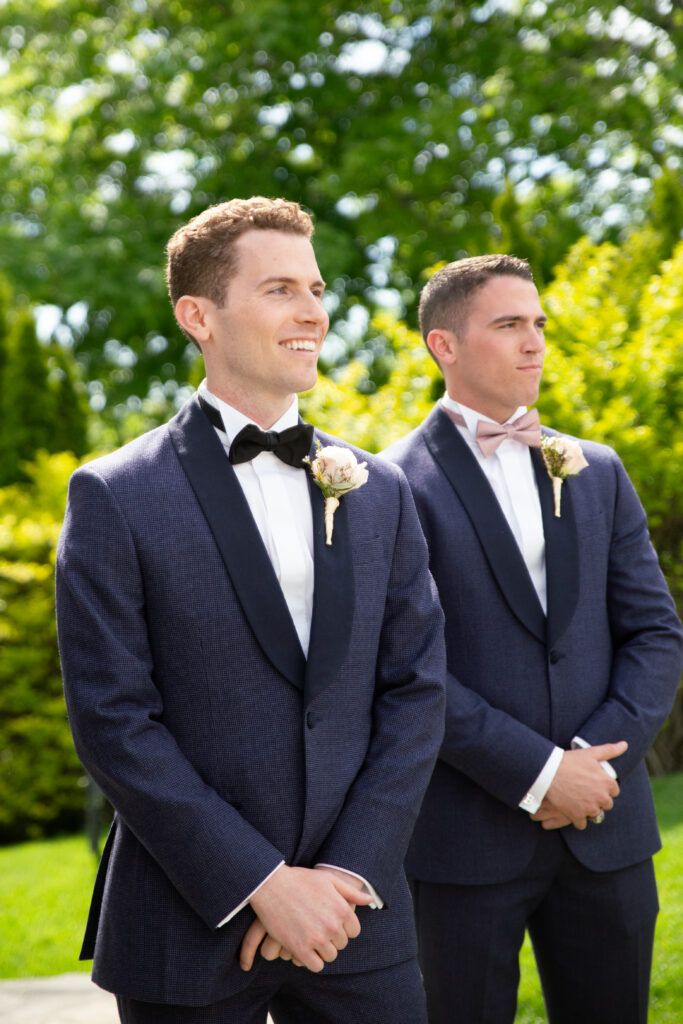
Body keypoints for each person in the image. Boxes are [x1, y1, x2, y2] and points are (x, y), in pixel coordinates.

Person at [56, 196, 446, 1024]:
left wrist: (341, 879)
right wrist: (262, 885)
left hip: (357, 922)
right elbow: (114, 721)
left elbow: (415, 691)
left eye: (315, 286)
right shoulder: (115, 496)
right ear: (198, 315)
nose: (313, 310)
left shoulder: (379, 490)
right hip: (187, 923)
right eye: (278, 290)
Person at [384, 254, 683, 1024]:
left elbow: (653, 632)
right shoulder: (388, 487)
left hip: (605, 828)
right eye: (508, 324)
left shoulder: (597, 470)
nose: (534, 343)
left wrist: (592, 769)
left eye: (539, 324)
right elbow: (406, 668)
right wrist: (538, 772)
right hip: (464, 839)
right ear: (442, 346)